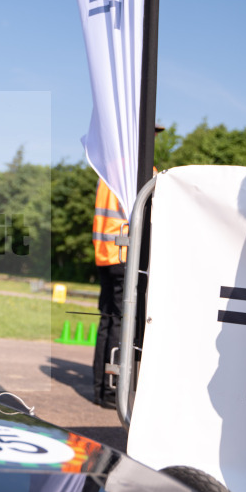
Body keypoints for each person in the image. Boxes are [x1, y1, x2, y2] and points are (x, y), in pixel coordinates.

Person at [91, 135, 162, 410]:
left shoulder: (108, 169)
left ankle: (101, 389)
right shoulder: (143, 171)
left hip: (106, 253)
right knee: (123, 322)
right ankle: (112, 391)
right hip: (125, 255)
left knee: (108, 320)